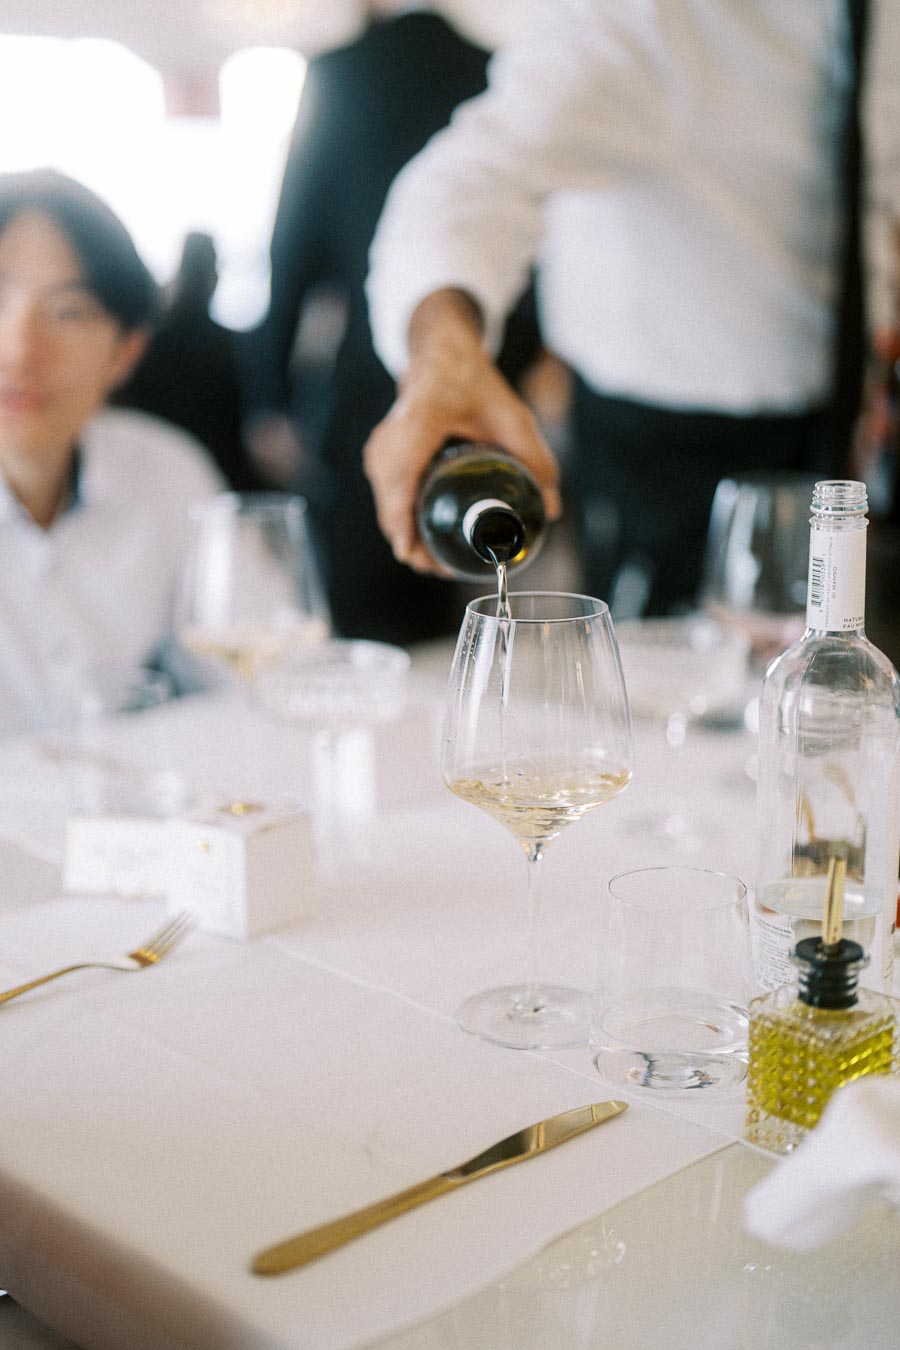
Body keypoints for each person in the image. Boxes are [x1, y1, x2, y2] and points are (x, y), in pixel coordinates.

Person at [364, 0, 900, 615]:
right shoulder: (641, 16)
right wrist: (443, 361)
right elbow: (464, 186)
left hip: (857, 440)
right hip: (668, 467)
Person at [242, 2, 541, 645]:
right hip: (494, 385)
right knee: (468, 595)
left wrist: (269, 399)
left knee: (362, 607)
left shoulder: (338, 73)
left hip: (368, 389)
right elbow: (540, 248)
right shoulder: (496, 69)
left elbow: (292, 251)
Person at [0, 168, 224, 736]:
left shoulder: (167, 471)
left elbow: (254, 681)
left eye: (67, 311)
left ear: (125, 352)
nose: (19, 349)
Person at [116, 231, 267, 492]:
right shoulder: (230, 345)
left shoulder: (149, 342)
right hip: (223, 473)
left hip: (150, 470)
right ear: (214, 277)